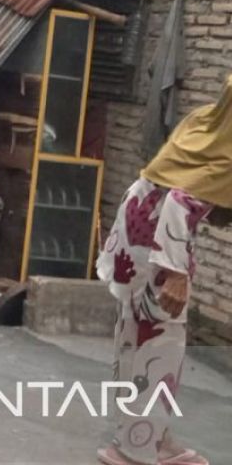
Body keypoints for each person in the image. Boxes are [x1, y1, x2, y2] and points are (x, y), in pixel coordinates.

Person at [95, 76, 232, 465]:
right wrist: (176, 274)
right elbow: (180, 201)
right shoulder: (228, 149)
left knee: (133, 338)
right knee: (161, 346)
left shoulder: (204, 122)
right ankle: (135, 449)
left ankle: (154, 437)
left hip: (134, 230)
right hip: (160, 241)